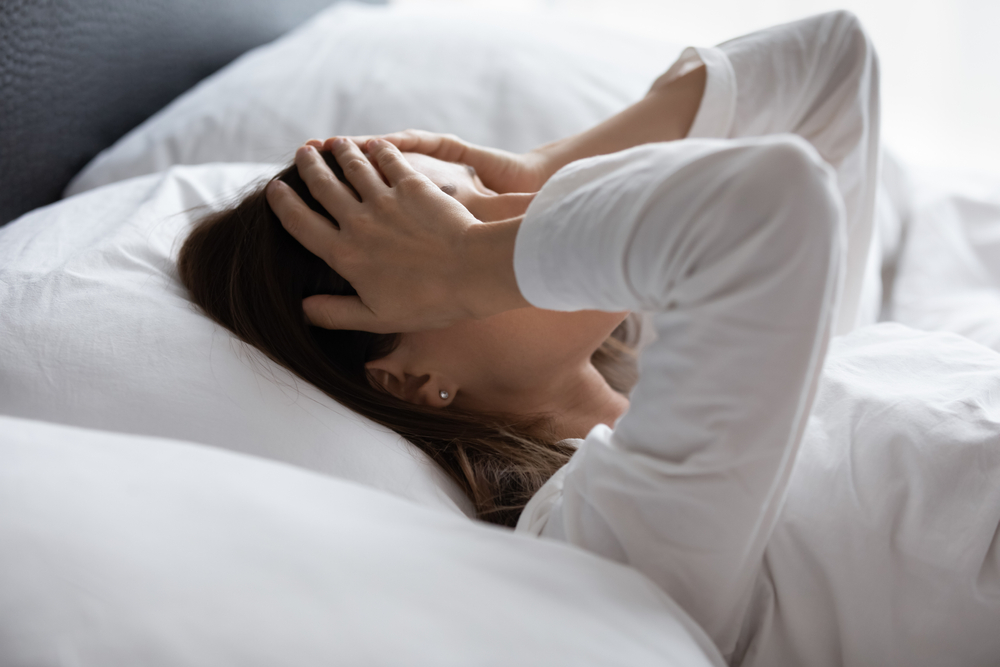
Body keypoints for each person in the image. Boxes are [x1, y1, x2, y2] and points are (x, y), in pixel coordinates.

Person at [180, 10, 1000, 666]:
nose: (528, 221)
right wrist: (470, 258)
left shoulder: (733, 376)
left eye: (471, 203)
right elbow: (769, 207)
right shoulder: (597, 539)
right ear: (407, 375)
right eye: (443, 237)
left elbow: (833, 63)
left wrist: (547, 168)